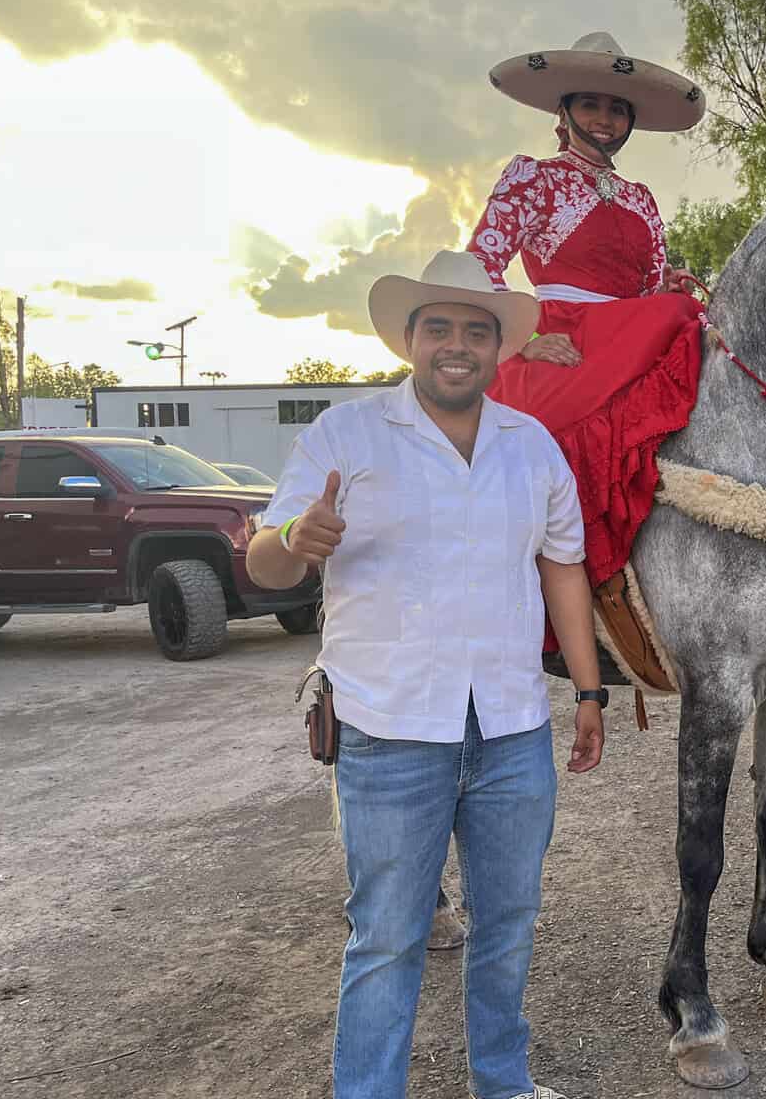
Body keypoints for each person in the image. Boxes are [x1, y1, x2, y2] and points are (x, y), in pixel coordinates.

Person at [246, 249, 607, 1099]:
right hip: (389, 728)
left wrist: (588, 692)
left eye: (476, 331)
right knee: (387, 937)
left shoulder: (532, 445)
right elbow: (262, 559)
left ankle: (504, 1082)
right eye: (438, 327)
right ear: (411, 339)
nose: (457, 345)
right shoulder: (347, 433)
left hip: (512, 729)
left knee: (509, 924)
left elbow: (562, 567)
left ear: (497, 348)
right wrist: (296, 544)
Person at [465, 32, 708, 611]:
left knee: (686, 318)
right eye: (591, 105)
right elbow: (480, 266)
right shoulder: (533, 178)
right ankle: (522, 586)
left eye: (617, 108)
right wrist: (523, 340)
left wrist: (665, 286)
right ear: (564, 111)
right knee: (533, 449)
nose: (605, 118)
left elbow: (649, 286)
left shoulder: (642, 197)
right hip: (561, 338)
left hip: (634, 334)